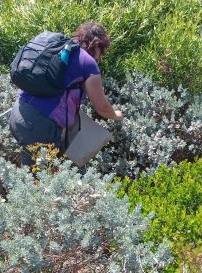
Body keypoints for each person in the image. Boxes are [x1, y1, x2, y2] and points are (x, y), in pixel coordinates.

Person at [9, 22, 123, 166]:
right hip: (39, 127)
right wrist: (116, 115)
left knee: (38, 171)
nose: (100, 57)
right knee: (38, 181)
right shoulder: (87, 63)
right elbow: (101, 107)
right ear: (97, 45)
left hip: (19, 112)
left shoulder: (62, 50)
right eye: (102, 51)